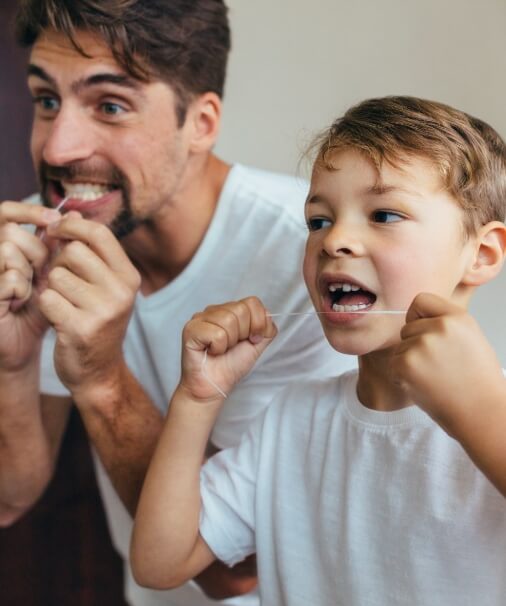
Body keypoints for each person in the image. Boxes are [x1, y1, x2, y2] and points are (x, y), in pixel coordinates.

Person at [0, 1, 357, 605]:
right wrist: (12, 362)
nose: (58, 150)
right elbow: (10, 497)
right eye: (46, 100)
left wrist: (102, 378)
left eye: (110, 105)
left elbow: (234, 569)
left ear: (202, 122)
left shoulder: (317, 262)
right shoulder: (47, 244)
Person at [131, 96, 506, 605]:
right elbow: (160, 562)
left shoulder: (496, 415)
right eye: (319, 222)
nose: (335, 242)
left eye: (384, 214)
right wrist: (197, 400)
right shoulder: (291, 418)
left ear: (481, 255)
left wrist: (483, 412)